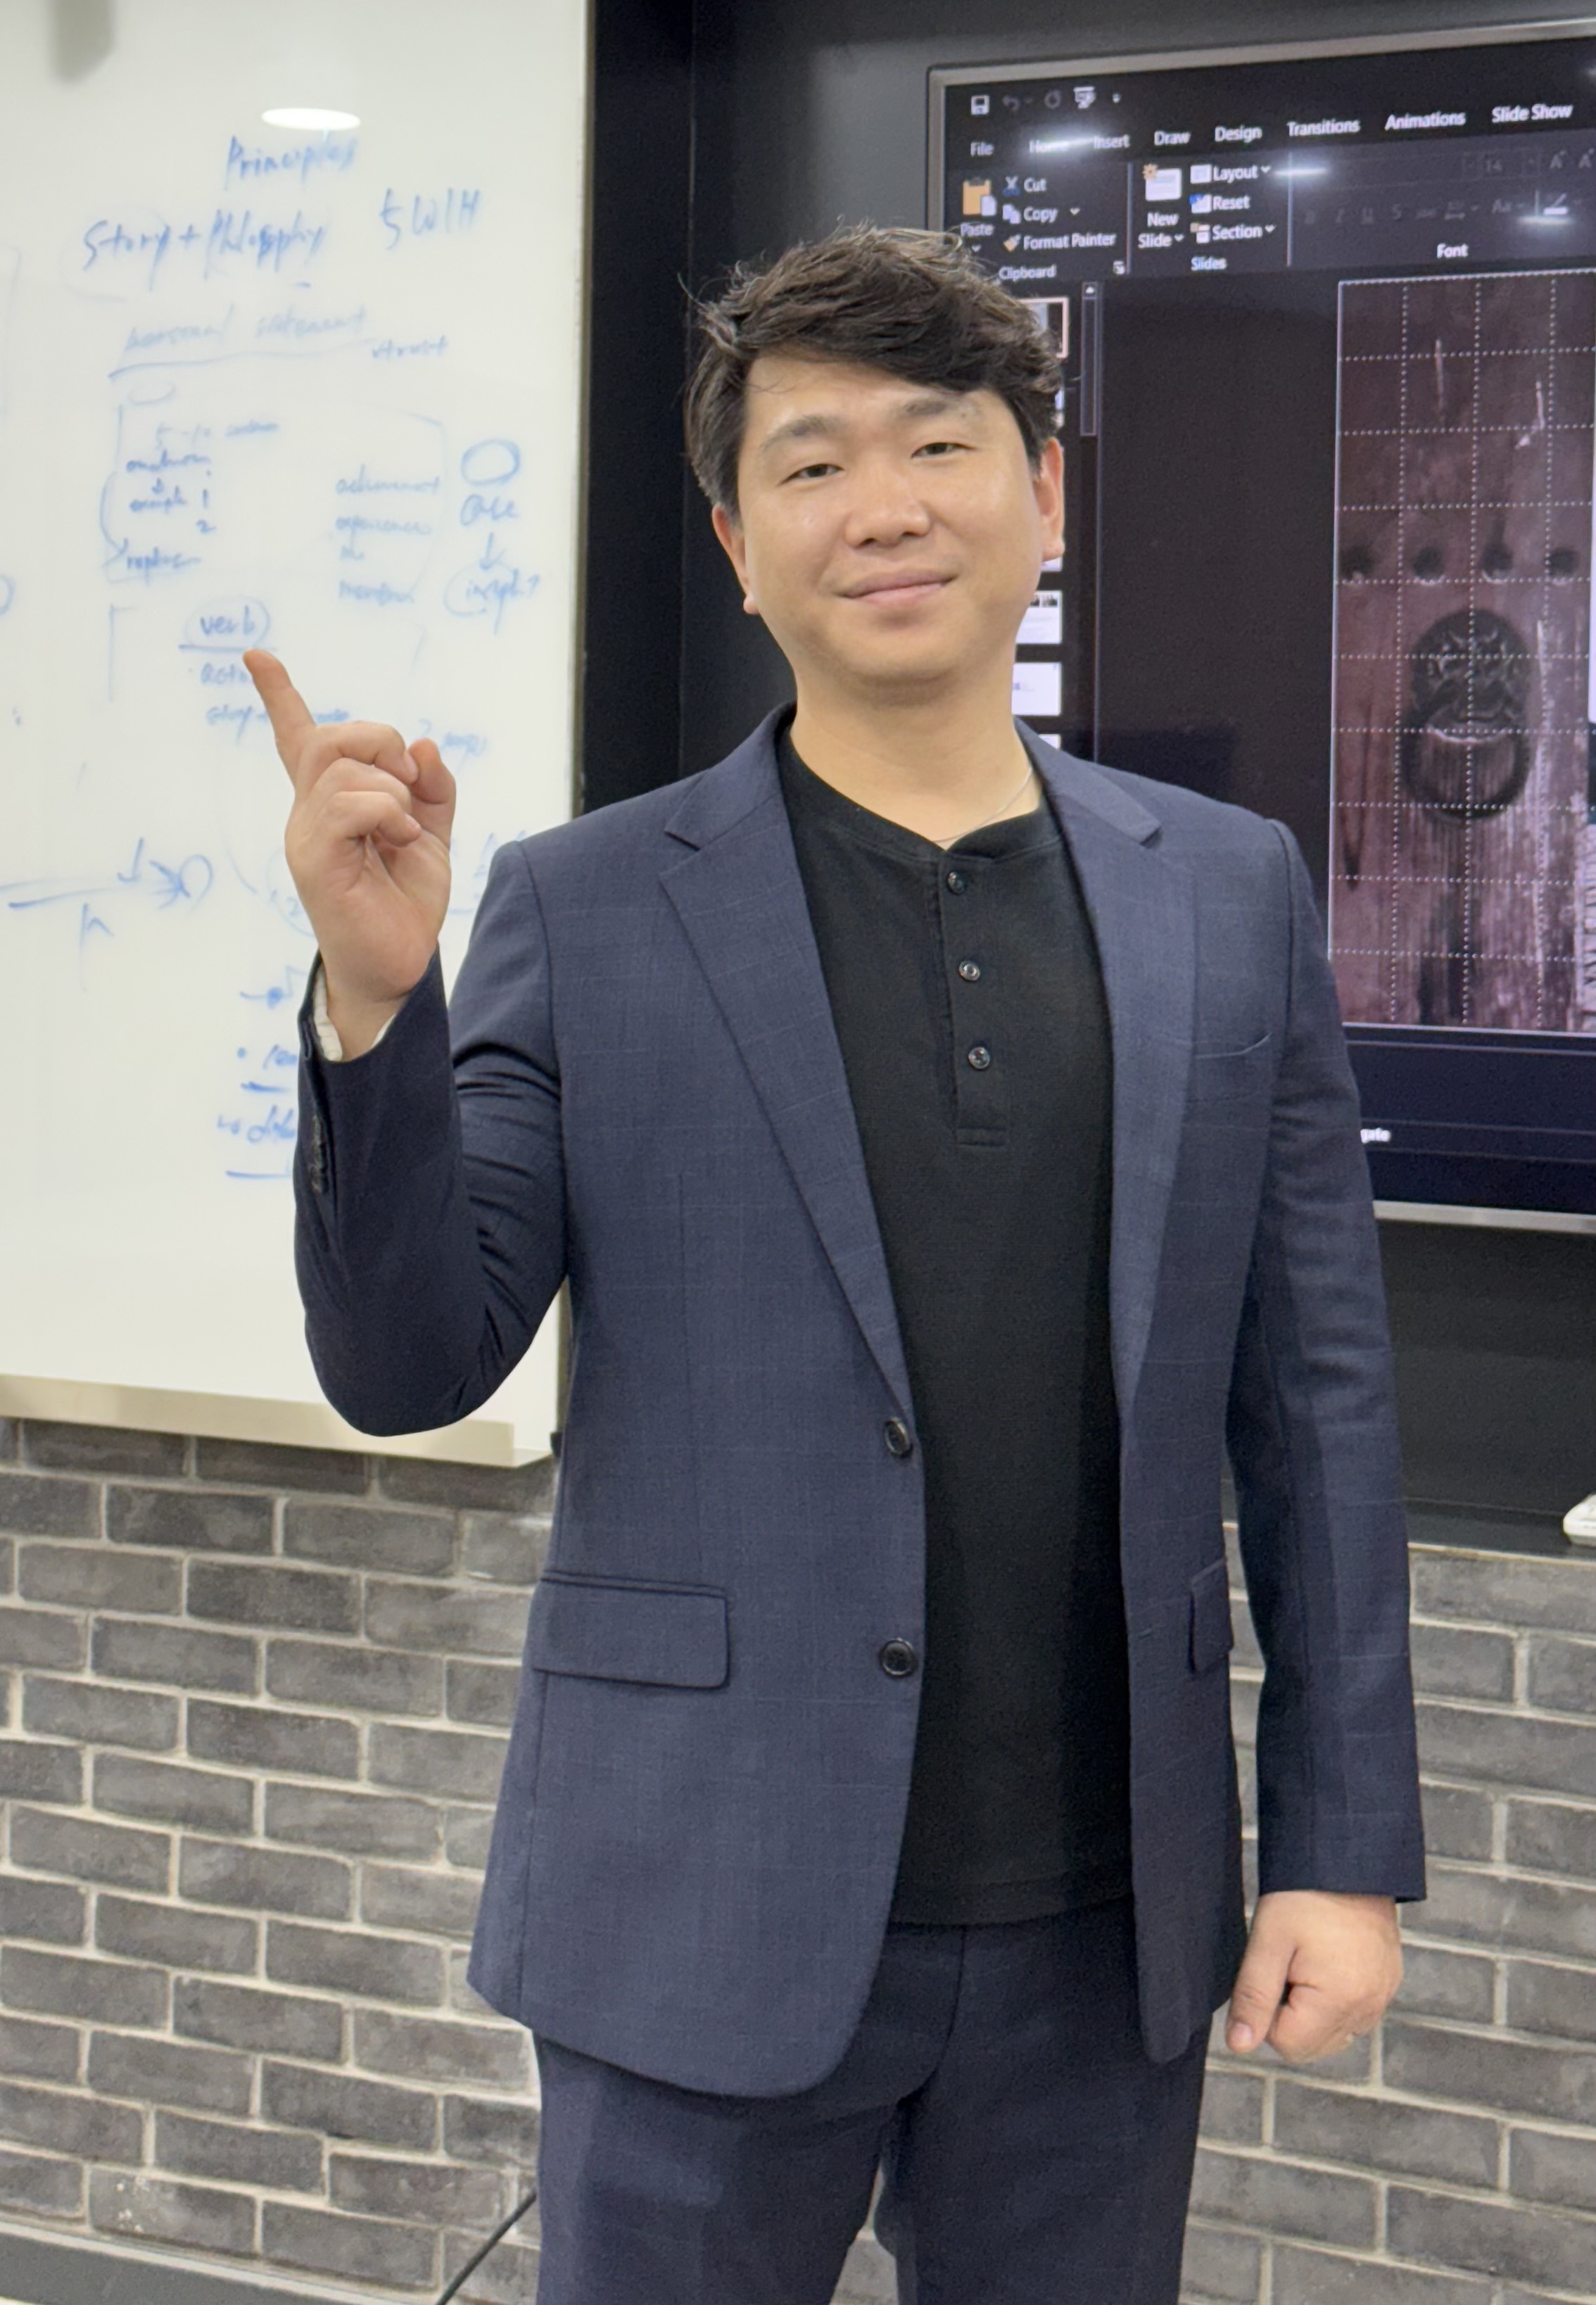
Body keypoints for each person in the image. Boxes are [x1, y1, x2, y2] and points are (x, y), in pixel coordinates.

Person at [246, 225, 1424, 2305]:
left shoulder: (1221, 896)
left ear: (1041, 492)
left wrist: (1336, 1844)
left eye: (937, 445)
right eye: (808, 463)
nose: (880, 507)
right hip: (694, 1894)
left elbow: (1313, 1403)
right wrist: (374, 1008)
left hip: (1098, 1923)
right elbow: (413, 1357)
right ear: (734, 540)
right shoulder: (588, 904)